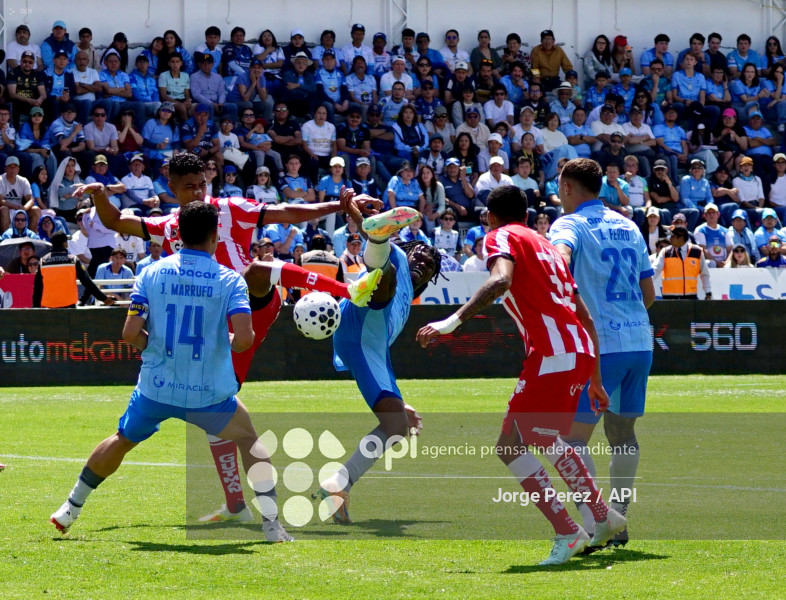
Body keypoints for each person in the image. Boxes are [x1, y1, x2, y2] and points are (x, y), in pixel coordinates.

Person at [79, 154, 385, 523]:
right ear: (171, 188)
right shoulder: (167, 224)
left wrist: (338, 204)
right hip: (215, 331)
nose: (198, 192)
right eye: (189, 186)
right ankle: (236, 505)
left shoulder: (229, 208)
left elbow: (285, 212)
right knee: (218, 410)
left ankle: (348, 287)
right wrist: (98, 194)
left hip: (250, 308)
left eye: (202, 183)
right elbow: (113, 220)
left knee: (257, 269)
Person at [49, 201, 294, 542]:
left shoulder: (150, 273)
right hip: (207, 393)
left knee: (121, 439)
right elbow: (243, 342)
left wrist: (156, 347)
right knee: (250, 440)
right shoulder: (230, 281)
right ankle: (271, 526)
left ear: (178, 234)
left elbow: (130, 334)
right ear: (215, 236)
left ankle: (70, 508)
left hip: (157, 388)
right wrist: (223, 342)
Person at [416, 184, 624, 564]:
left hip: (552, 352)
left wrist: (452, 322)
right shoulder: (547, 246)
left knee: (518, 444)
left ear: (490, 218)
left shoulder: (501, 235)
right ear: (528, 216)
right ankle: (601, 516)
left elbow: (501, 280)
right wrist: (594, 378)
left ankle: (569, 531)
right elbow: (585, 317)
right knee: (532, 441)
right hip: (576, 349)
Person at [549, 157, 655, 547]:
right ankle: (620, 519)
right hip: (639, 343)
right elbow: (649, 294)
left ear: (569, 188)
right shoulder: (628, 225)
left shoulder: (569, 224)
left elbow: (559, 255)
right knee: (623, 434)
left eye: (560, 187)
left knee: (571, 441)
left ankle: (597, 524)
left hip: (599, 348)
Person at [317, 204, 438, 524]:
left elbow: (379, 351)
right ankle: (379, 238)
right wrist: (354, 211)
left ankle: (338, 484)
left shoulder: (407, 308)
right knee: (384, 270)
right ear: (411, 251)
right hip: (361, 314)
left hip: (364, 341)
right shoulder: (399, 254)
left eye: (430, 265)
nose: (424, 263)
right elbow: (366, 226)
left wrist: (398, 401)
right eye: (422, 256)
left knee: (396, 425)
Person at [651, 226, 711, 299]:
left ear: (681, 238)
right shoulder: (665, 252)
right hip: (669, 297)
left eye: (672, 236)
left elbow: (705, 273)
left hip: (690, 297)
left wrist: (708, 291)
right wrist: (646, 282)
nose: (670, 239)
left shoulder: (697, 251)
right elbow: (655, 269)